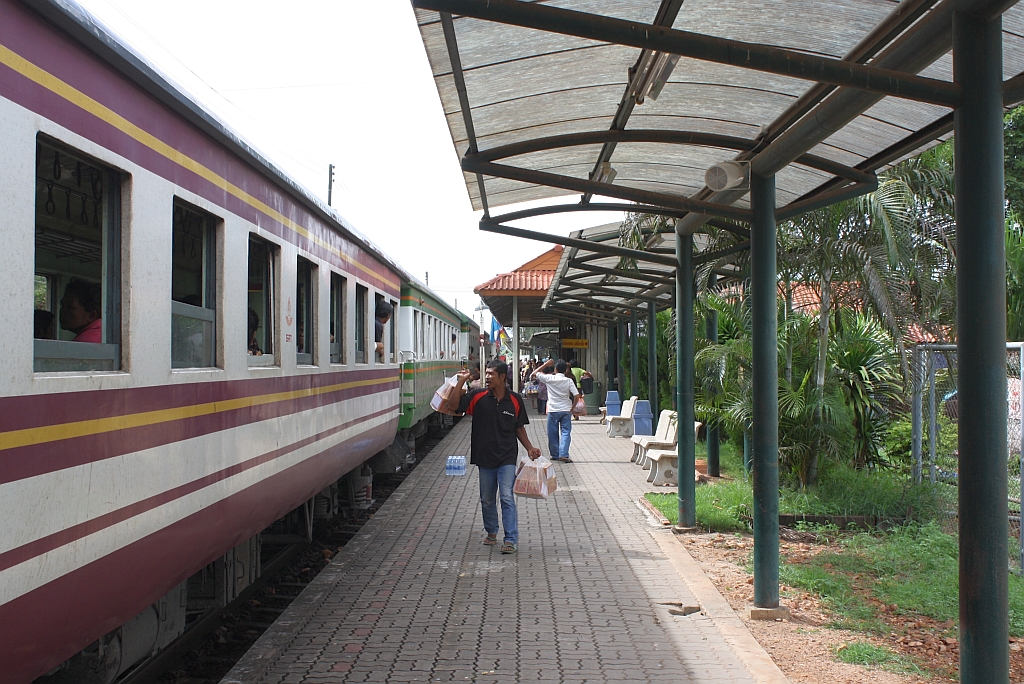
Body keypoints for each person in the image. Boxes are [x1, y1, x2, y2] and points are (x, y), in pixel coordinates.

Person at [449, 359, 541, 554]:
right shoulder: (477, 396)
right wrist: (461, 382)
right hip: (485, 456)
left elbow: (519, 428)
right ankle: (491, 531)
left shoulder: (515, 400)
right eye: (487, 373)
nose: (487, 377)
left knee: (507, 496)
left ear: (502, 377)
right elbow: (454, 406)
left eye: (491, 374)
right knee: (487, 499)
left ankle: (510, 539)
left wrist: (530, 448)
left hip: (507, 456)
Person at [532, 358, 578, 463]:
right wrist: (573, 407)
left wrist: (546, 364)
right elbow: (576, 395)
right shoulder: (569, 381)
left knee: (552, 433)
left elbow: (534, 373)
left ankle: (555, 454)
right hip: (566, 409)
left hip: (553, 410)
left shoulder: (549, 378)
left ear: (555, 369)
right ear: (565, 370)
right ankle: (564, 454)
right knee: (566, 432)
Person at [60, 278, 102, 343]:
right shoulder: (103, 333)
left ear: (91, 316)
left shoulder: (85, 342)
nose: (62, 312)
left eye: (70, 307)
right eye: (62, 305)